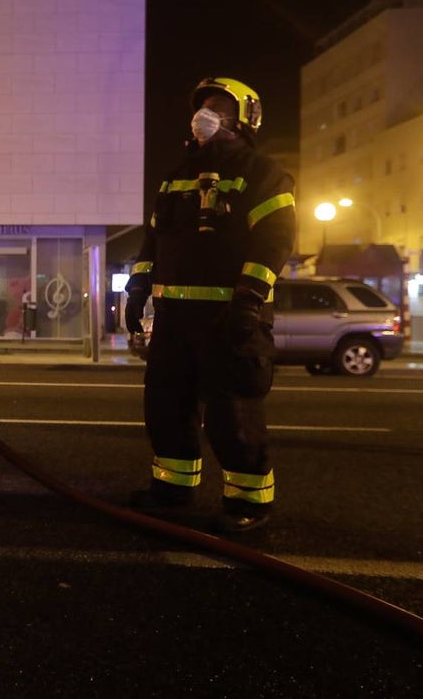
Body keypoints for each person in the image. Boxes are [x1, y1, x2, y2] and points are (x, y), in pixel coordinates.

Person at [124, 77, 296, 533]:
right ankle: (172, 490)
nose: (205, 116)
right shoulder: (177, 175)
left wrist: (249, 299)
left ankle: (247, 501)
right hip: (175, 320)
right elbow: (154, 241)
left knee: (232, 413)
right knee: (166, 406)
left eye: (219, 106)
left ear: (244, 118)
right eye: (203, 107)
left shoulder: (263, 172)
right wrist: (137, 291)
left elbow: (275, 241)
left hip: (230, 317)